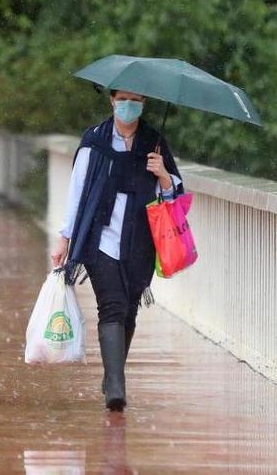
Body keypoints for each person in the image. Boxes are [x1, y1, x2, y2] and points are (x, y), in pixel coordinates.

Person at [50, 88, 184, 411]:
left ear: (144, 103)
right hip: (100, 239)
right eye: (123, 99)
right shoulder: (94, 140)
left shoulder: (155, 143)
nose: (129, 106)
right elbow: (77, 191)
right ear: (111, 100)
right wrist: (64, 238)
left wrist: (163, 175)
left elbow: (176, 197)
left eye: (136, 100)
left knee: (128, 309)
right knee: (111, 306)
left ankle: (113, 373)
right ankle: (115, 387)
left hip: (141, 243)